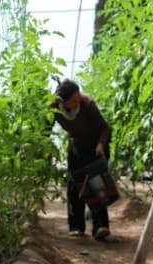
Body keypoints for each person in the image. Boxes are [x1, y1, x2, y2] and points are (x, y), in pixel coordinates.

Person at [53, 78, 112, 240]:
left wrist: (100, 145)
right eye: (73, 101)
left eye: (78, 98)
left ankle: (100, 226)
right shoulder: (53, 107)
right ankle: (76, 226)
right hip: (76, 145)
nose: (77, 102)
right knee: (74, 184)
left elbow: (105, 127)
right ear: (63, 102)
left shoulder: (87, 103)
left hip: (96, 145)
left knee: (96, 184)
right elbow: (45, 128)